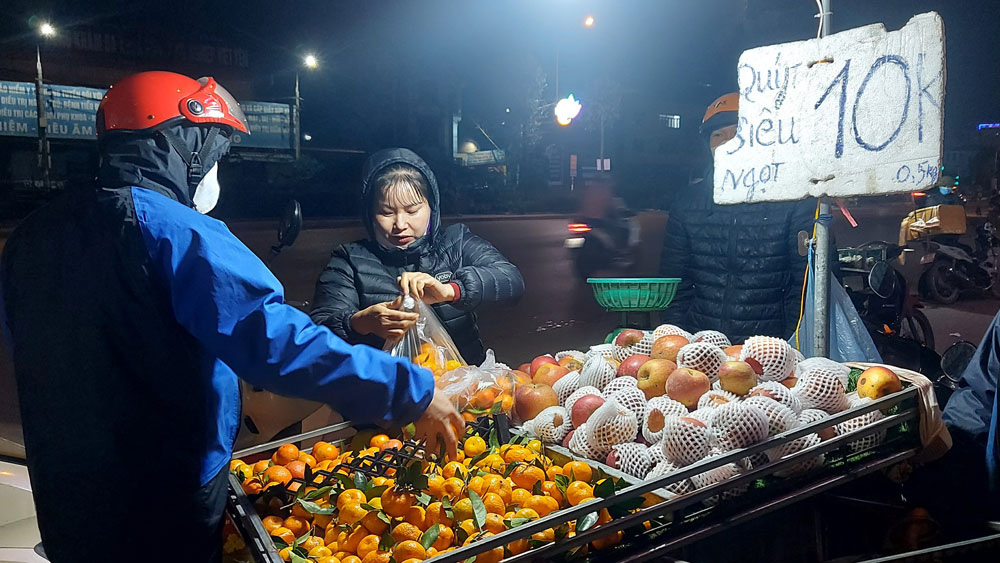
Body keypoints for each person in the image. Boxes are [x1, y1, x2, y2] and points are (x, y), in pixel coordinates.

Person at [0, 72, 462, 562]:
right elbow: (277, 342)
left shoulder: (32, 237)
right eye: (215, 151)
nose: (216, 167)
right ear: (184, 143)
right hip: (163, 494)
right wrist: (408, 388)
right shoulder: (178, 232)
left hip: (65, 488)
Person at [310, 148, 524, 365]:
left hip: (465, 386)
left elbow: (511, 281)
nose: (400, 225)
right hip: (386, 390)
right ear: (370, 214)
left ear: (431, 207)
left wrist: (450, 291)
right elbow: (318, 332)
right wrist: (360, 322)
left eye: (412, 211)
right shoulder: (349, 261)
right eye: (386, 212)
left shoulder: (455, 242)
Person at [660, 93, 815, 343]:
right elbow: (675, 286)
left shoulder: (793, 199)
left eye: (737, 133)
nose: (727, 142)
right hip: (701, 346)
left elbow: (807, 285)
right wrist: (678, 343)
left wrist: (792, 343)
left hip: (771, 349)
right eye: (717, 135)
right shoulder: (688, 203)